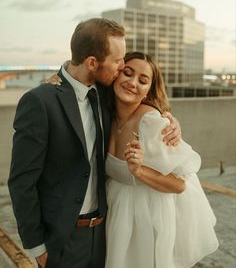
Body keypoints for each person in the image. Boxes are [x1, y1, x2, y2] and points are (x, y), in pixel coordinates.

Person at [8, 18, 181, 268]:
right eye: (118, 60)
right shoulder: (40, 102)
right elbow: (22, 180)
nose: (122, 68)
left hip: (105, 233)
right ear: (92, 62)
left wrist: (169, 119)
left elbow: (138, 104)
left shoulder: (105, 93)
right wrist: (36, 245)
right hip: (62, 240)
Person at [105, 51, 219, 268]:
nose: (132, 83)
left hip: (147, 221)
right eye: (127, 73)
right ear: (116, 75)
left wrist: (139, 171)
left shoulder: (151, 122)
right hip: (117, 213)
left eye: (143, 80)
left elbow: (179, 184)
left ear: (149, 89)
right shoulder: (105, 114)